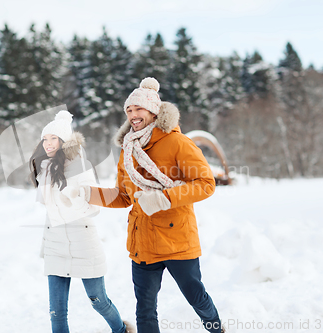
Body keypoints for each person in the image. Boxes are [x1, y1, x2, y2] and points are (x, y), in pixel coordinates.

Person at [72, 78, 224, 333]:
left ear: (153, 111)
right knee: (144, 307)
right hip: (143, 242)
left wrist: (164, 198)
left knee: (196, 298)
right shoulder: (127, 150)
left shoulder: (178, 143)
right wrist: (87, 193)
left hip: (177, 241)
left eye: (138, 109)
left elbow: (205, 183)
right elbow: (123, 196)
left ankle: (217, 330)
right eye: (129, 110)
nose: (133, 114)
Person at [29, 110, 133, 333]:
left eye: (53, 138)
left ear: (64, 141)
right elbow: (48, 208)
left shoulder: (80, 165)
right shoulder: (44, 169)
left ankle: (121, 330)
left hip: (83, 242)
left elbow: (93, 207)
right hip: (56, 244)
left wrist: (72, 197)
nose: (47, 143)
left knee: (99, 301)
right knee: (57, 311)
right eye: (45, 139)